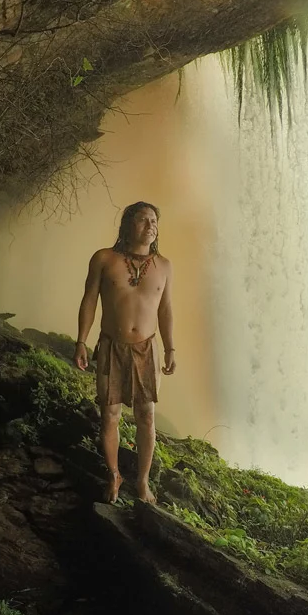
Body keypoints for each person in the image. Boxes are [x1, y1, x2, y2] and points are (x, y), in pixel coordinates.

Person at [74, 201, 176, 504]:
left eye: (154, 221)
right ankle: (114, 474)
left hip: (148, 348)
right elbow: (89, 300)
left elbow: (166, 310)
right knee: (110, 415)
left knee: (146, 416)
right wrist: (81, 340)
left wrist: (171, 347)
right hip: (110, 345)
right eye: (143, 220)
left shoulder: (164, 266)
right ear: (127, 224)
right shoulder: (104, 259)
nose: (150, 226)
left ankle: (142, 481)